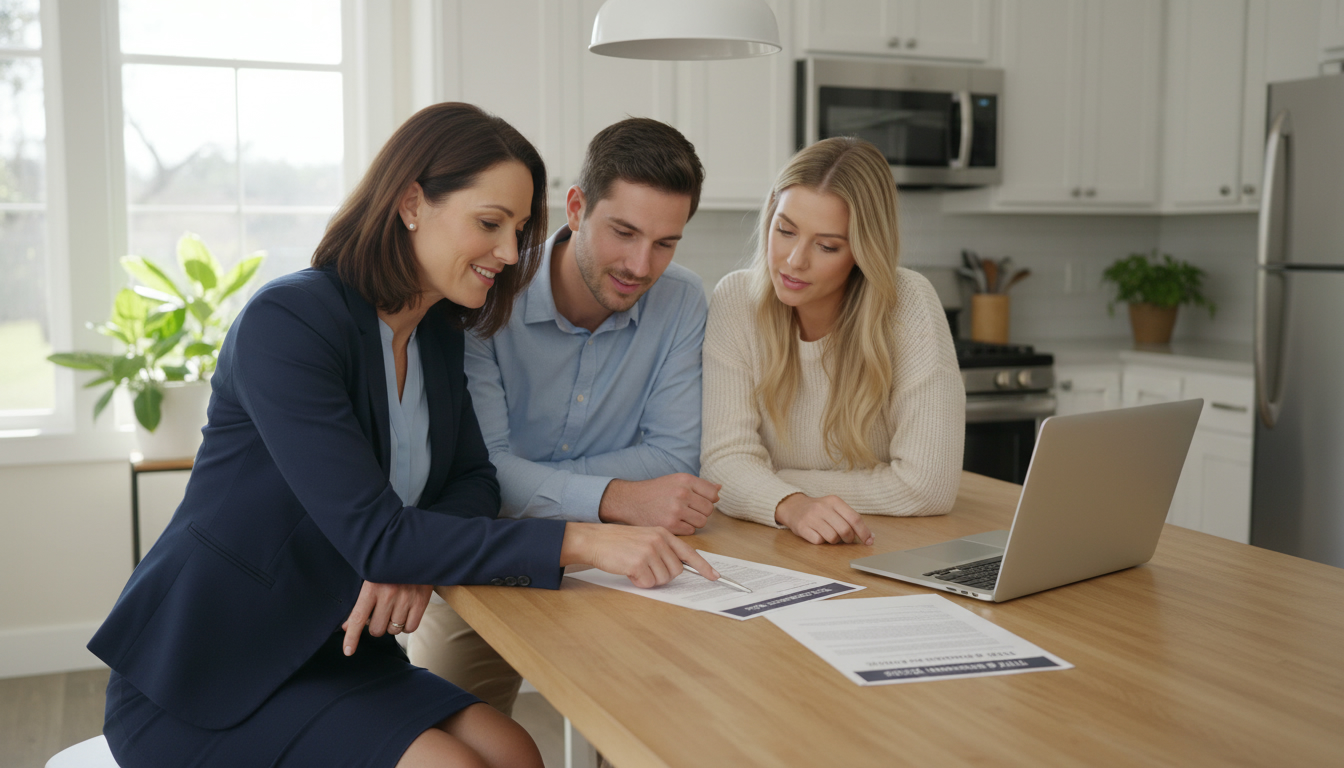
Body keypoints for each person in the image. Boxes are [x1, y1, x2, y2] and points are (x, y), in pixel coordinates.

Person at [87, 103, 721, 768]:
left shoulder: (439, 334)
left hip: (344, 651)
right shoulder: (290, 322)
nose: (510, 253)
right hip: (212, 668)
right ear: (412, 202)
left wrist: (413, 556)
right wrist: (588, 539)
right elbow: (375, 533)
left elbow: (474, 481)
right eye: (490, 223)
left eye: (518, 229)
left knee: (514, 749)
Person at [410, 117, 718, 716]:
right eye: (623, 232)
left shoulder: (682, 300)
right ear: (576, 208)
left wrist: (538, 484)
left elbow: (675, 456)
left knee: (664, 717)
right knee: (446, 726)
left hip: (620, 569)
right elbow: (486, 472)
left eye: (665, 243)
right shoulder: (488, 289)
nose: (640, 265)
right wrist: (618, 498)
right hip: (486, 565)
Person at [700, 136, 965, 546]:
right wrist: (791, 504)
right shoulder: (736, 301)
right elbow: (722, 464)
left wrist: (771, 481)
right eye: (785, 230)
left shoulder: (909, 303)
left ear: (862, 251)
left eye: (826, 246)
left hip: (883, 543)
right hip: (778, 543)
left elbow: (926, 487)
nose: (794, 261)